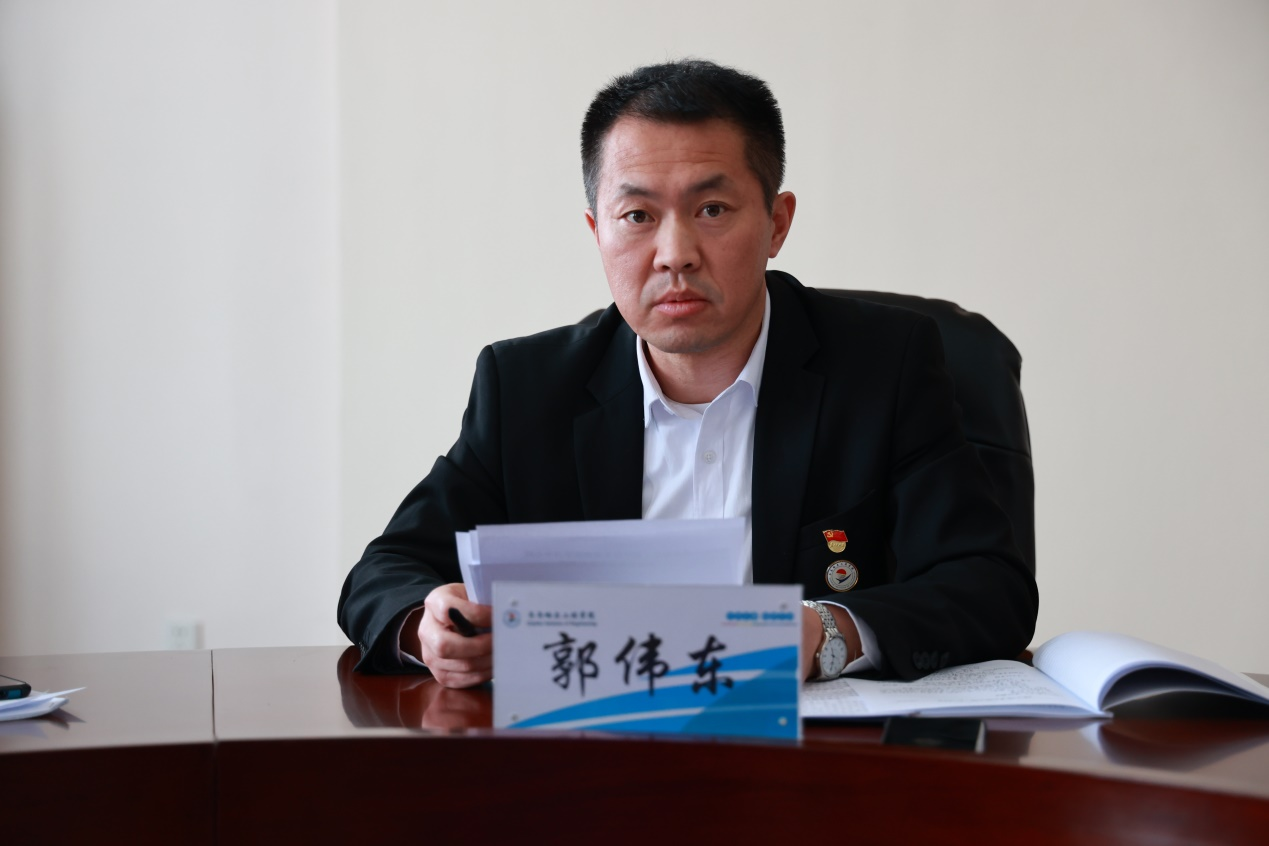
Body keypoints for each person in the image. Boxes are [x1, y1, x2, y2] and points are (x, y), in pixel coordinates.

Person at [338, 59, 1038, 689]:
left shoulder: (884, 366)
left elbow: (989, 586)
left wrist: (826, 632)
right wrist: (425, 627)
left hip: (815, 762)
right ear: (597, 232)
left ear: (777, 223)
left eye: (711, 210)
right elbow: (384, 571)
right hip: (592, 758)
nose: (675, 253)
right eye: (637, 215)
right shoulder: (526, 387)